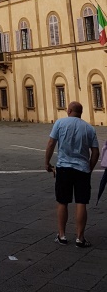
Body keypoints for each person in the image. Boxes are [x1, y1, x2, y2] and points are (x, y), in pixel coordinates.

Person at [45, 101, 99, 247]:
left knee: (62, 201)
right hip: (82, 169)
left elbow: (51, 144)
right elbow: (95, 152)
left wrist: (47, 162)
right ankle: (80, 238)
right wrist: (89, 168)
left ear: (68, 111)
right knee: (81, 202)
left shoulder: (60, 123)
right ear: (81, 112)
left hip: (63, 168)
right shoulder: (89, 128)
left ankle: (62, 235)